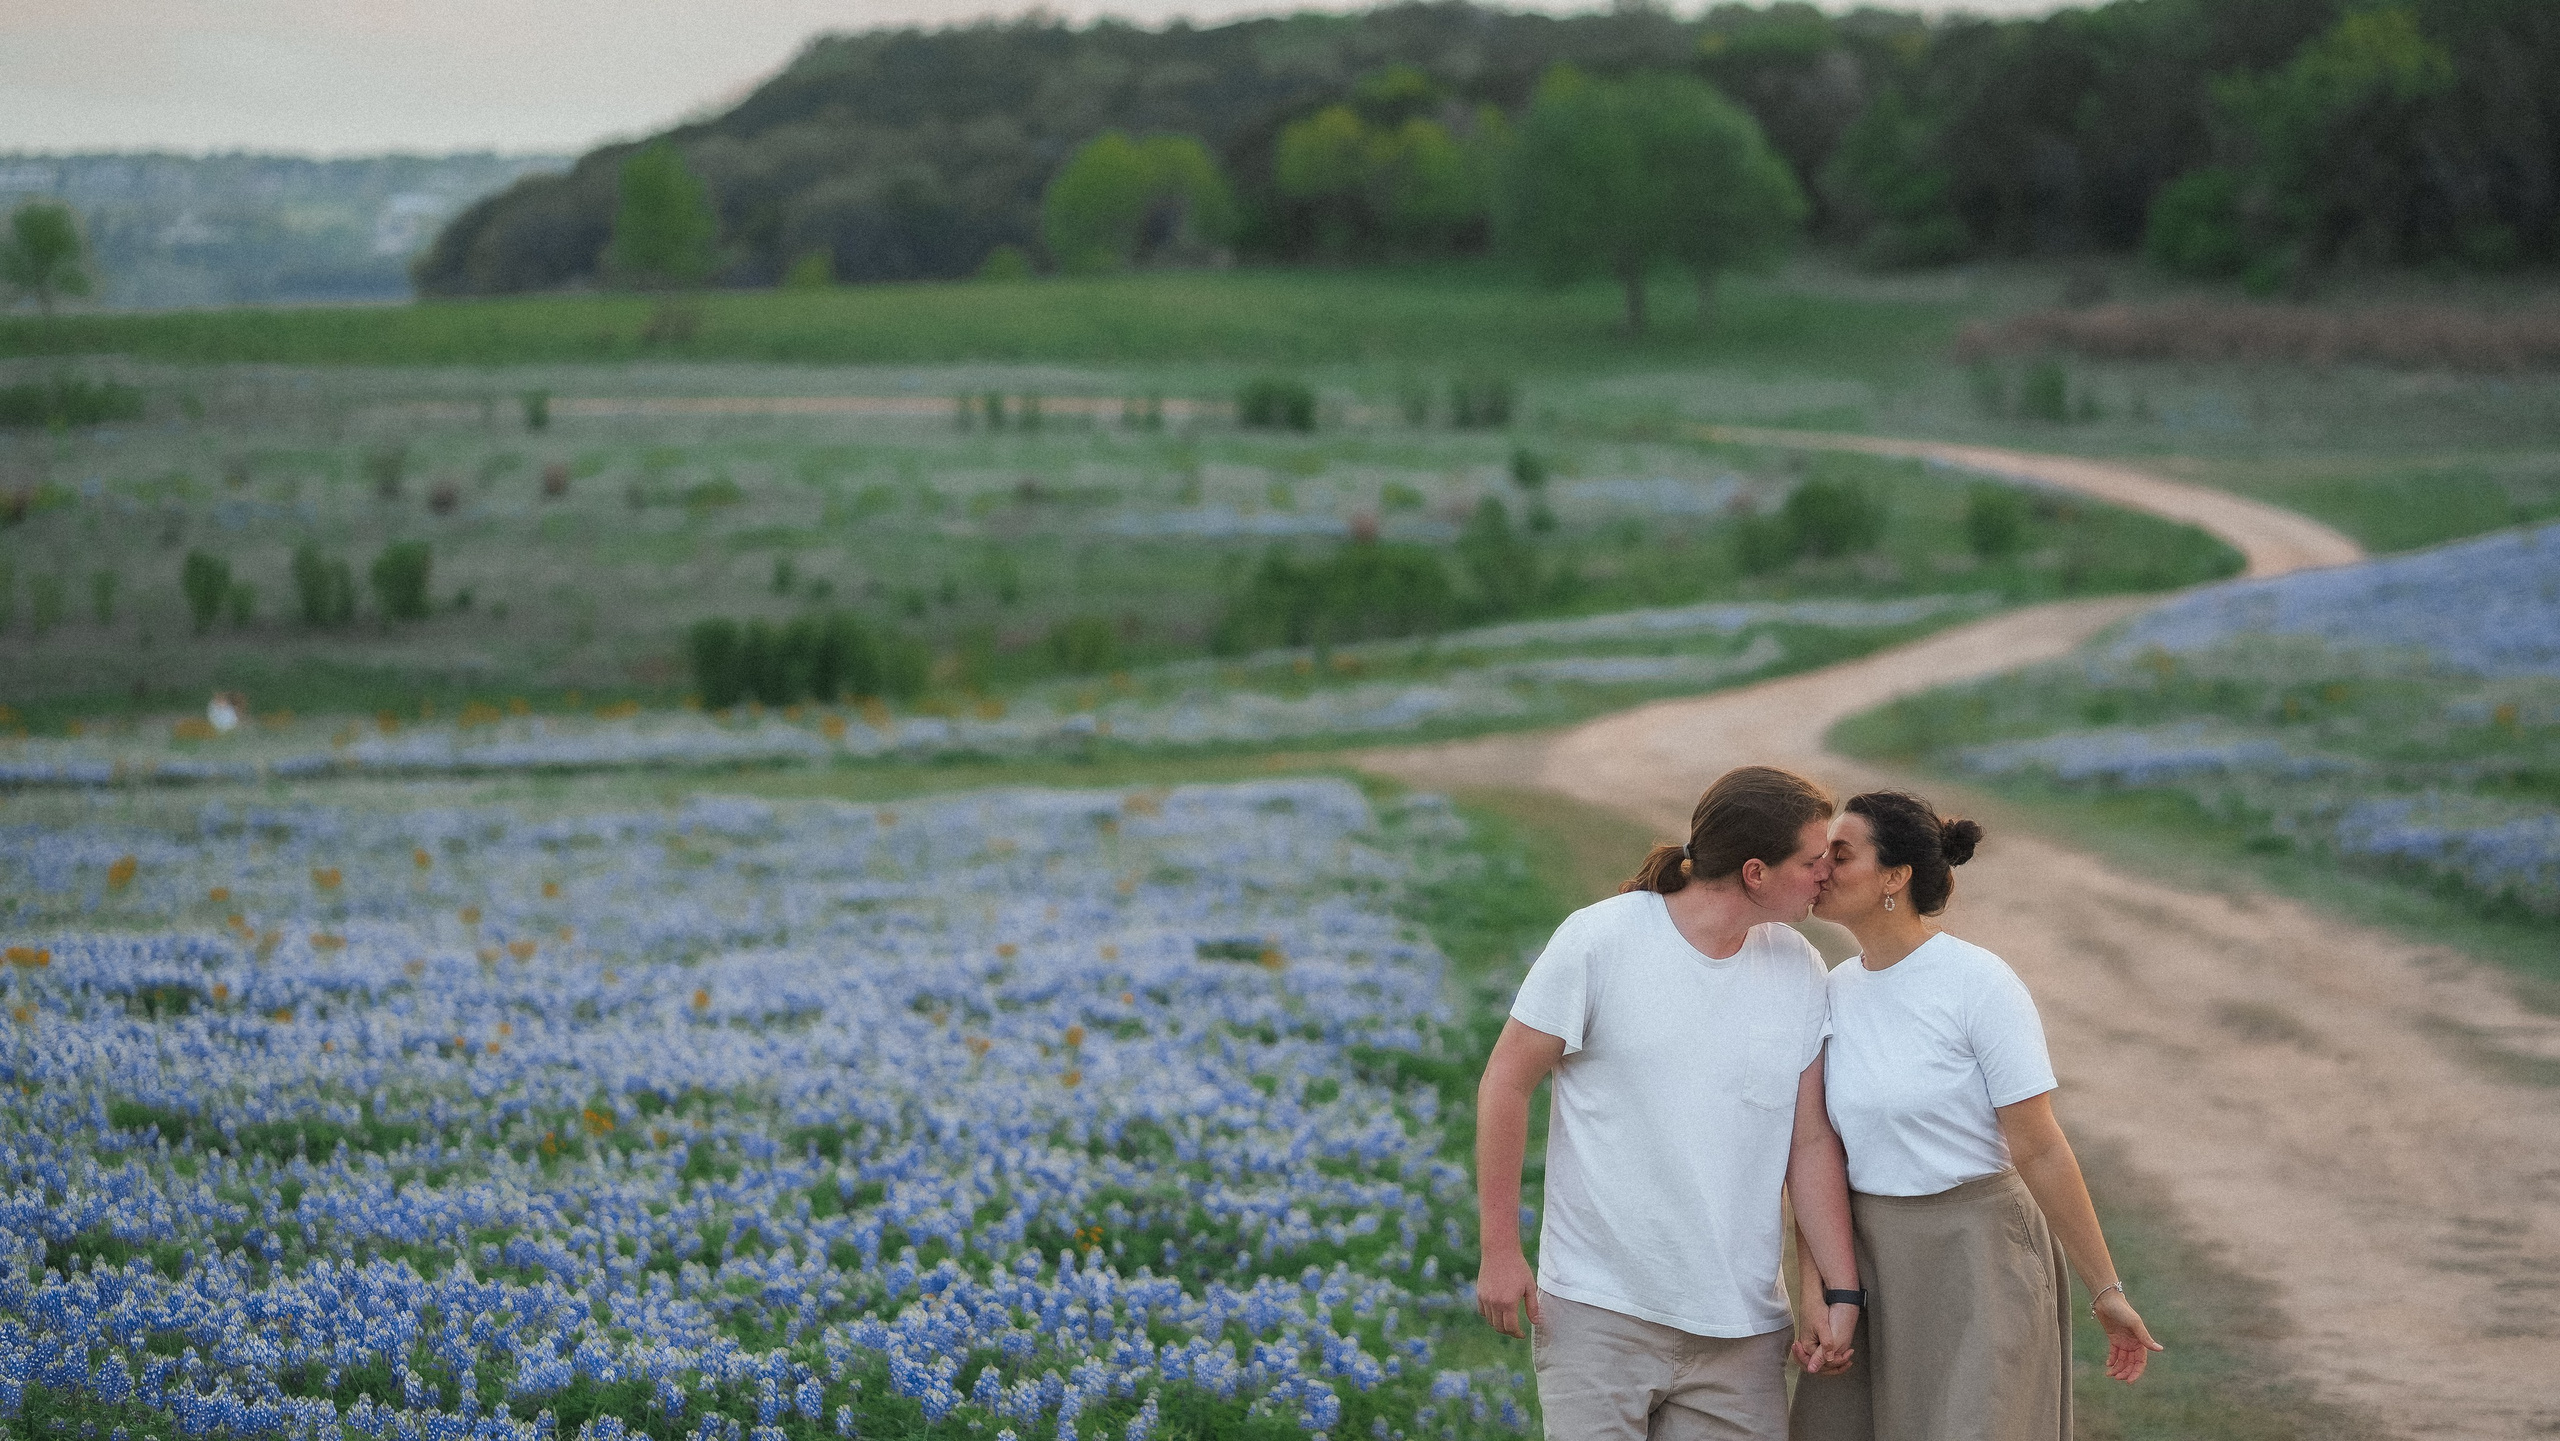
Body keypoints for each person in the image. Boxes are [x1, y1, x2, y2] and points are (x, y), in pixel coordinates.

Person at [1475, 765, 1866, 1441]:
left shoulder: (1800, 968)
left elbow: (1808, 1142)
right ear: (1755, 873)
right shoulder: (1600, 940)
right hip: (1600, 1313)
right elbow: (1506, 1081)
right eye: (1810, 861)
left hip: (1740, 1331)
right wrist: (1499, 1249)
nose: (1824, 874)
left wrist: (1837, 1288)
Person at [1790, 791, 2163, 1441]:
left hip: (1979, 1258)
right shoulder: (1832, 991)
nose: (1821, 867)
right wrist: (1818, 1287)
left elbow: (2040, 1147)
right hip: (1871, 1262)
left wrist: (2106, 1288)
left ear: (1896, 877)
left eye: (1841, 854)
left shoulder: (1978, 983)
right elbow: (1814, 1150)